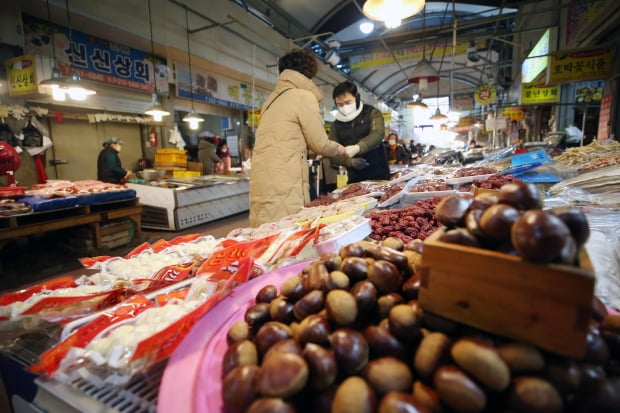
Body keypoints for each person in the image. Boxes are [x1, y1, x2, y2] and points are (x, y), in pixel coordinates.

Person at [249, 48, 346, 227]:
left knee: (265, 233)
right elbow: (320, 144)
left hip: (262, 179)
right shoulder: (302, 96)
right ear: (309, 74)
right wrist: (339, 148)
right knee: (288, 233)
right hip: (286, 179)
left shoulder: (270, 100)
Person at [328, 81, 390, 183]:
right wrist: (349, 162)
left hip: (379, 175)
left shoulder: (372, 113)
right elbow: (332, 151)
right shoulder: (336, 125)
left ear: (357, 97)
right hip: (355, 178)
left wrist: (358, 148)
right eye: (340, 104)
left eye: (348, 102)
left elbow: (378, 134)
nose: (344, 107)